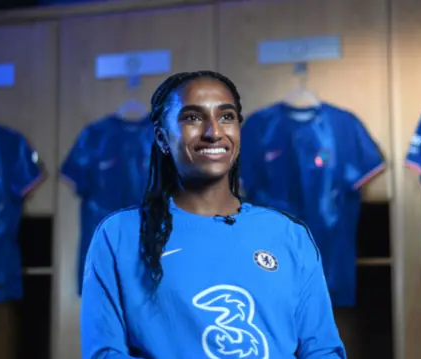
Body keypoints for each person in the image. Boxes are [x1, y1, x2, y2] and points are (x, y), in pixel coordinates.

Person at [80, 70, 346, 359]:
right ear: (161, 137)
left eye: (226, 116)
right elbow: (105, 354)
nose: (213, 131)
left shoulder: (289, 235)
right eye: (192, 117)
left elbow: (322, 350)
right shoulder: (119, 236)